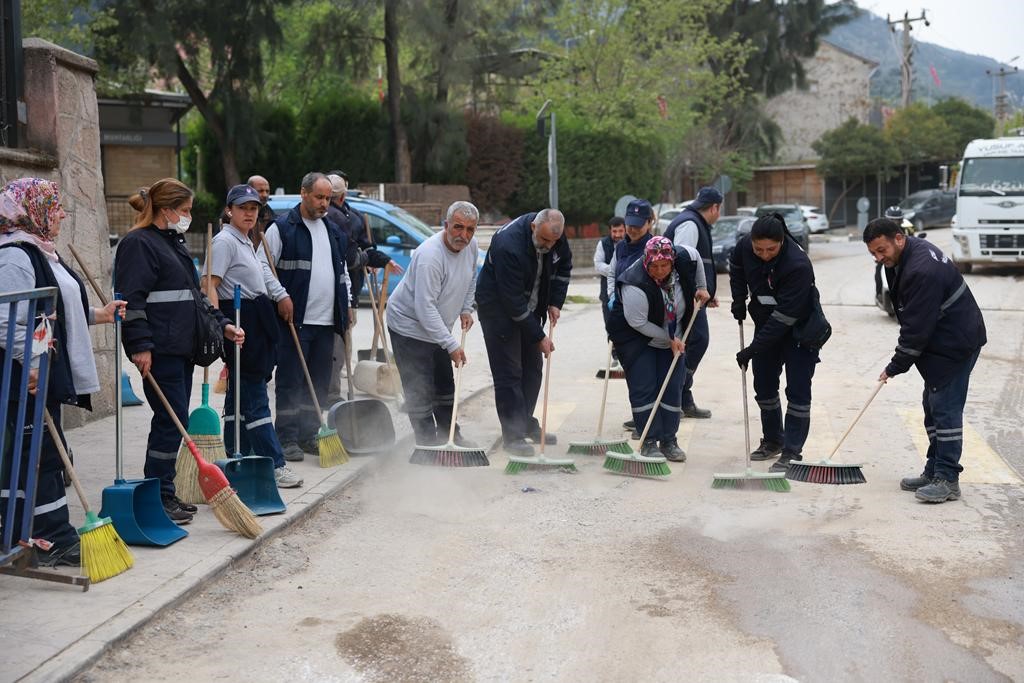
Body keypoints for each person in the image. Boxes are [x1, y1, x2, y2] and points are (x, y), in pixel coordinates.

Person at [0, 178, 126, 565]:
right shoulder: (14, 257)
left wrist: (99, 314)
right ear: (33, 211)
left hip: (42, 373)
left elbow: (58, 310)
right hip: (21, 379)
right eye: (54, 208)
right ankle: (44, 538)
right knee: (34, 456)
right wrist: (31, 362)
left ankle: (48, 534)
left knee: (45, 454)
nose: (61, 216)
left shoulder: (42, 251)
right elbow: (5, 321)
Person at [115, 178, 244, 524]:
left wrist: (222, 323)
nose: (187, 216)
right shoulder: (138, 244)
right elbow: (132, 301)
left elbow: (195, 296)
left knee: (175, 421)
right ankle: (159, 494)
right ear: (166, 209)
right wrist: (140, 346)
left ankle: (165, 491)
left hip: (181, 347)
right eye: (184, 210)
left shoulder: (173, 242)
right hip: (160, 350)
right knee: (170, 422)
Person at [863, 218, 986, 503]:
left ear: (899, 239)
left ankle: (948, 479)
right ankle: (934, 470)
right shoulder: (905, 255)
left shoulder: (921, 270)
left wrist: (895, 365)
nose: (878, 258)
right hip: (941, 341)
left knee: (945, 409)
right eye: (873, 253)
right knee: (932, 405)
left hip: (955, 343)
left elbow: (916, 329)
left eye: (881, 250)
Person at [203, 185, 302, 489]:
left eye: (253, 208)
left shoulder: (246, 239)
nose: (249, 213)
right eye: (242, 208)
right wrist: (219, 323)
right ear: (229, 210)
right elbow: (209, 285)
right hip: (239, 321)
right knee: (255, 394)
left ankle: (238, 454)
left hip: (257, 321)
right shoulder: (224, 242)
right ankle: (276, 464)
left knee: (240, 395)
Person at [259, 172, 351, 462]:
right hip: (294, 321)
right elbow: (263, 266)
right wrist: (281, 295)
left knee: (319, 381)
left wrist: (346, 303)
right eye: (319, 197)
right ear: (303, 193)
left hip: (326, 322)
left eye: (328, 198)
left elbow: (342, 271)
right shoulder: (282, 228)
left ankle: (309, 433)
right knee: (290, 381)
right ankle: (286, 437)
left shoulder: (332, 230)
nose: (324, 203)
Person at [475, 209, 572, 457]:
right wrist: (539, 337)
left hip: (530, 308)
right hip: (498, 311)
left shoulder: (555, 235)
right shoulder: (508, 245)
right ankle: (513, 435)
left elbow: (563, 268)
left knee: (532, 369)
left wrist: (555, 302)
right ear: (533, 227)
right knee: (509, 373)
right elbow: (512, 301)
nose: (549, 246)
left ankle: (525, 421)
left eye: (553, 241)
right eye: (544, 240)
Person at [386, 201, 480, 446]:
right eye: (458, 227)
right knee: (419, 386)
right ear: (446, 225)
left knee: (444, 384)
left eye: (470, 229)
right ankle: (427, 442)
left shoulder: (470, 247)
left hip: (437, 326)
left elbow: (471, 278)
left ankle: (450, 436)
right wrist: (451, 344)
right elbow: (424, 308)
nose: (464, 235)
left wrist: (466, 308)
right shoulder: (430, 256)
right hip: (408, 326)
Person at [730, 213, 818, 472]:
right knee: (764, 383)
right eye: (759, 249)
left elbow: (783, 319)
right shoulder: (745, 247)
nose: (765, 255)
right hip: (766, 323)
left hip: (800, 329)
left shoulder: (798, 265)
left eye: (771, 249)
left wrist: (752, 349)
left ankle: (792, 452)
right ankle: (773, 440)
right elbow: (737, 267)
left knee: (798, 390)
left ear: (782, 241)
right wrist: (738, 298)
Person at [606, 237, 693, 461]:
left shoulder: (681, 272)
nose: (660, 270)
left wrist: (703, 288)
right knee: (644, 388)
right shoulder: (633, 282)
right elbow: (638, 322)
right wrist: (669, 338)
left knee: (672, 388)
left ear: (672, 262)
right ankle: (648, 441)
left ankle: (669, 440)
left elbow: (699, 266)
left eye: (665, 265)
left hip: (673, 339)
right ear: (646, 261)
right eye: (655, 266)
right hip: (637, 339)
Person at [324, 173, 401, 402]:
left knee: (344, 336)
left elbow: (363, 247)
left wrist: (377, 259)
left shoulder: (353, 215)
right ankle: (331, 389)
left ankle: (338, 377)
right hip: (337, 291)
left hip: (350, 288)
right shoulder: (335, 218)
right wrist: (367, 258)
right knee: (336, 340)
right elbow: (350, 257)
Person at [664, 187, 724, 418]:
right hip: (684, 298)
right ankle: (676, 394)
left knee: (692, 343)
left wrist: (707, 290)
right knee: (697, 341)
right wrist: (694, 291)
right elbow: (681, 259)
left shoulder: (696, 222)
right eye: (719, 209)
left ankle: (682, 397)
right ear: (715, 207)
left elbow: (698, 263)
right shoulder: (690, 224)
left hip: (695, 296)